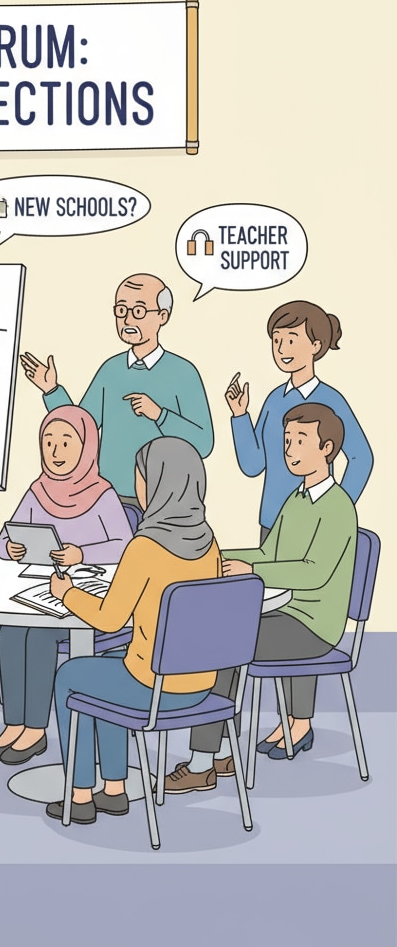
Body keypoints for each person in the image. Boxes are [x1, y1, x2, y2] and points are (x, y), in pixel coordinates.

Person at [166, 403, 357, 794]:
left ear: (327, 449)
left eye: (300, 440)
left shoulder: (338, 508)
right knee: (220, 635)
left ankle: (203, 762)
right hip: (284, 610)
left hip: (313, 625)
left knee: (220, 647)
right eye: (287, 440)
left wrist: (254, 570)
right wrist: (225, 557)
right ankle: (221, 753)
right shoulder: (296, 500)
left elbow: (313, 572)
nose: (289, 449)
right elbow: (270, 554)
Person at [45, 437, 222, 824]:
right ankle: (114, 789)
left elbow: (109, 619)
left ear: (157, 482)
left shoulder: (144, 546)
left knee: (71, 676)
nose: (137, 486)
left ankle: (79, 795)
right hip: (201, 684)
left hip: (153, 686)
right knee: (109, 663)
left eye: (140, 476)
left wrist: (68, 592)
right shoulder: (209, 544)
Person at [0, 406, 132, 765]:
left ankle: (35, 729)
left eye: (66, 442)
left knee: (40, 636)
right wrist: (10, 547)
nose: (56, 451)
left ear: (87, 448)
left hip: (88, 601)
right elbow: (7, 535)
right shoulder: (38, 491)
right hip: (41, 593)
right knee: (11, 632)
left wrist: (83, 554)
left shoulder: (103, 495)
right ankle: (13, 723)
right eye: (48, 442)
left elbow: (125, 547)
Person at [20, 273, 213, 504]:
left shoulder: (184, 373)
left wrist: (160, 416)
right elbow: (82, 429)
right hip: (110, 497)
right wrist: (51, 390)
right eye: (121, 310)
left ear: (163, 316)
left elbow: (204, 443)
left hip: (166, 501)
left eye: (139, 311)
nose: (128, 320)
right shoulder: (110, 371)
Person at [226, 300, 371, 542]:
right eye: (276, 340)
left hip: (313, 524)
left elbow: (361, 457)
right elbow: (253, 465)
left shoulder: (331, 400)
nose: (282, 349)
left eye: (291, 340)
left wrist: (336, 509)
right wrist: (240, 415)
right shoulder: (274, 399)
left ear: (316, 345)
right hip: (272, 521)